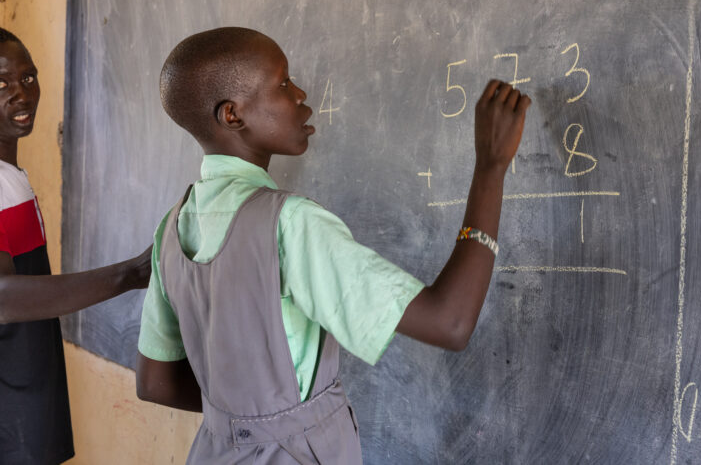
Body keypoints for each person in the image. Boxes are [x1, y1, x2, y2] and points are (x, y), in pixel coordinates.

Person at [135, 27, 530, 464]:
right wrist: (491, 168)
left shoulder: (171, 227)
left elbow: (155, 382)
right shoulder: (290, 223)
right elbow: (449, 323)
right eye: (283, 84)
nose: (301, 93)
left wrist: (246, 419)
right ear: (232, 115)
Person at [0, 27, 151, 464]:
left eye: (28, 78)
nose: (21, 95)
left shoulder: (12, 177)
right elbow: (5, 298)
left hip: (26, 401)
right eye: (1, 83)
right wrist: (132, 273)